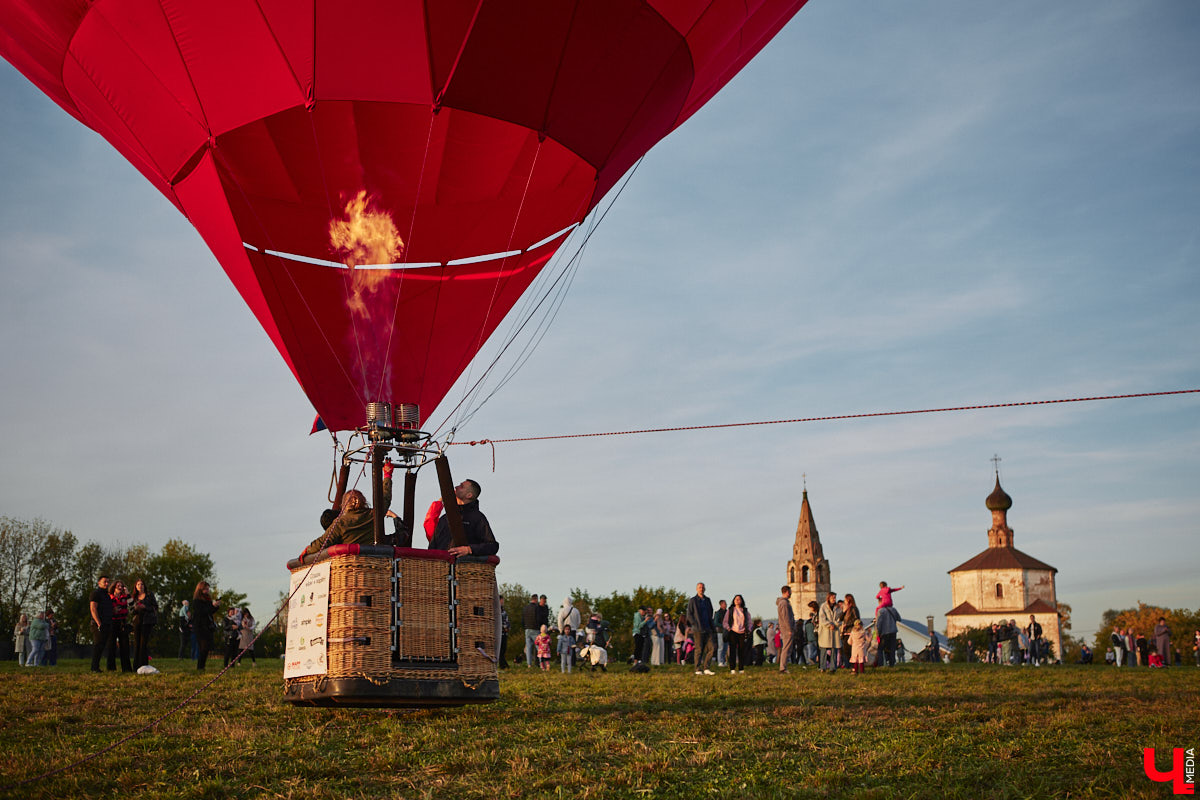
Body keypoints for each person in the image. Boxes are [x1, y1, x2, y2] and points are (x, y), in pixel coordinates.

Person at [302, 461, 394, 557]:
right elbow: (385, 499)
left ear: (344, 504)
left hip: (350, 562)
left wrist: (308, 550)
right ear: (363, 501)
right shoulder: (374, 515)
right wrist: (387, 475)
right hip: (374, 560)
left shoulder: (341, 523)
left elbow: (323, 542)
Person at [427, 479, 499, 558]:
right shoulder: (444, 518)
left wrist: (469, 549)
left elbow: (492, 546)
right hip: (441, 565)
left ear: (469, 495)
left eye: (461, 486)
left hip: (464, 565)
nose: (456, 487)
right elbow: (432, 547)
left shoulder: (477, 518)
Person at [686, 583, 716, 675]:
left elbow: (711, 612)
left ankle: (706, 668)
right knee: (699, 649)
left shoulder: (707, 600)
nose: (701, 589)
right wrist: (694, 624)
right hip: (698, 629)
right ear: (696, 589)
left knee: (712, 648)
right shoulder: (693, 600)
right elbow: (689, 614)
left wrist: (712, 626)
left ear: (704, 589)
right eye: (699, 587)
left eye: (702, 587)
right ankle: (697, 669)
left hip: (708, 628)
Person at [130, 578, 159, 670]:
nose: (140, 586)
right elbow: (131, 611)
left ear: (144, 586)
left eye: (142, 584)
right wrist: (136, 608)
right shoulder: (133, 597)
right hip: (137, 622)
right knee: (137, 644)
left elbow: (155, 607)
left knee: (143, 643)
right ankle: (136, 666)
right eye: (138, 584)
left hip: (147, 621)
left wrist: (145, 607)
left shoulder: (149, 595)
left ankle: (144, 665)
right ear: (135, 586)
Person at [90, 576, 115, 672]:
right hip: (98, 624)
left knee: (102, 646)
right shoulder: (96, 594)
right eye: (104, 582)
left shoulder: (107, 596)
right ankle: (94, 667)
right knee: (98, 645)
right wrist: (98, 623)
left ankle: (96, 667)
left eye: (108, 582)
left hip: (107, 623)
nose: (107, 584)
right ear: (99, 583)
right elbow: (93, 609)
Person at [192, 581, 219, 671]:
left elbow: (210, 611)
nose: (207, 590)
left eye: (208, 589)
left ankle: (202, 666)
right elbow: (202, 612)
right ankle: (200, 667)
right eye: (206, 589)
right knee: (203, 647)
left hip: (208, 626)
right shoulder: (197, 601)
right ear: (201, 589)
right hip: (200, 626)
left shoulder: (208, 599)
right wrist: (212, 606)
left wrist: (216, 606)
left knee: (207, 648)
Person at [109, 580, 134, 672]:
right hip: (112, 622)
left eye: (121, 586)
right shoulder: (109, 597)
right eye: (118, 586)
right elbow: (105, 609)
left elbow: (132, 606)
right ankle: (111, 668)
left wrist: (128, 594)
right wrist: (112, 610)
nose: (120, 587)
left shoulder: (125, 597)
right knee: (111, 645)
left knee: (125, 645)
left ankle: (126, 668)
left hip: (122, 622)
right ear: (114, 588)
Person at [726, 594, 751, 674]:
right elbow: (725, 621)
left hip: (742, 633)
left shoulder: (745, 611)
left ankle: (741, 668)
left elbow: (749, 621)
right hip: (733, 632)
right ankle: (732, 668)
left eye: (739, 599)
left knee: (741, 651)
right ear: (733, 601)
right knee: (732, 651)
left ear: (741, 601)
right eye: (736, 599)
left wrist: (749, 629)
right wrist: (728, 628)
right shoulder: (730, 610)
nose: (737, 600)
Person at [817, 592, 841, 672]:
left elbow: (840, 619)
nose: (834, 599)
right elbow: (822, 619)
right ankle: (823, 667)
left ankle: (833, 668)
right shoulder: (823, 607)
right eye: (832, 598)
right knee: (824, 649)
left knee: (834, 649)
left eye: (835, 598)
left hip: (835, 631)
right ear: (828, 598)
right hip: (825, 631)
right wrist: (829, 625)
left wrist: (835, 624)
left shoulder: (838, 607)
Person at [776, 586, 796, 674]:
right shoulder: (784, 603)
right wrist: (789, 629)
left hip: (785, 629)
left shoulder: (784, 602)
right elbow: (786, 617)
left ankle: (783, 666)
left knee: (787, 648)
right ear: (787, 592)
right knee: (786, 648)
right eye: (790, 591)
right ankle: (783, 668)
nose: (791, 593)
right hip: (786, 629)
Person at [521, 594, 539, 668]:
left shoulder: (525, 608)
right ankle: (541, 662)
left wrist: (525, 627)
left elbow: (522, 620)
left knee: (528, 648)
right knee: (539, 647)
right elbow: (537, 619)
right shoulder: (537, 608)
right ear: (536, 599)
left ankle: (529, 664)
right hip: (535, 629)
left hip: (527, 629)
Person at [713, 599, 729, 668]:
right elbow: (715, 623)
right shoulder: (718, 613)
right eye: (724, 604)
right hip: (720, 632)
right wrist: (723, 625)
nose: (726, 605)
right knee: (721, 647)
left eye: (726, 604)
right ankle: (720, 661)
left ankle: (724, 661)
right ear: (721, 604)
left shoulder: (727, 612)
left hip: (727, 632)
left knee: (725, 647)